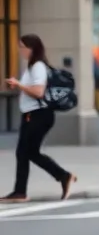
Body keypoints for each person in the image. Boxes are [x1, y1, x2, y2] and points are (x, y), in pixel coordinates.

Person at [2, 35, 75, 202]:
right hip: (33, 115)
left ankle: (21, 191)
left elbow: (38, 92)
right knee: (29, 153)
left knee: (24, 152)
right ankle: (63, 177)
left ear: (31, 48)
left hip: (38, 115)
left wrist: (18, 84)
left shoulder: (38, 67)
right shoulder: (32, 67)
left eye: (22, 47)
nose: (20, 51)